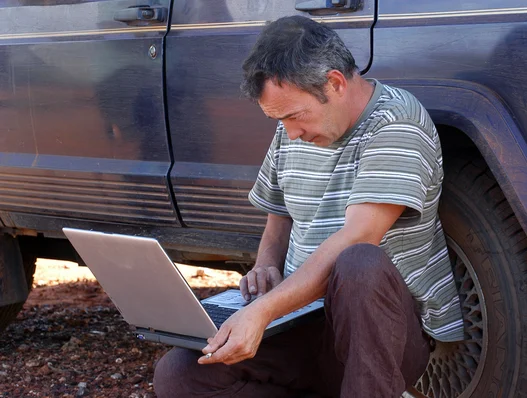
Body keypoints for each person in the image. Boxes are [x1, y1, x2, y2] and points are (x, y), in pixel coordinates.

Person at [153, 15, 464, 397]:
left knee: (359, 262)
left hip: (381, 333)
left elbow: (358, 238)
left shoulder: (397, 123)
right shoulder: (294, 131)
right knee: (180, 375)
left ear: (334, 83)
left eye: (294, 116)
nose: (291, 133)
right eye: (279, 119)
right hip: (304, 323)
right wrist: (266, 265)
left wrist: (262, 312)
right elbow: (278, 220)